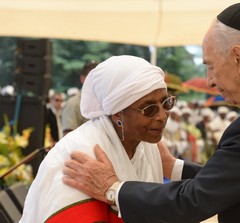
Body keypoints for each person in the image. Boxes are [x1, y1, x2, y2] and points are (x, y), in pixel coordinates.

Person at [63, 3, 240, 222]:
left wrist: (113, 188)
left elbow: (192, 203)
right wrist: (174, 167)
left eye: (211, 66)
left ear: (239, 58)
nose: (209, 81)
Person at [20, 55, 176, 222]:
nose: (162, 115)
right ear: (117, 113)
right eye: (149, 108)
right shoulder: (81, 158)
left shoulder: (146, 146)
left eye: (166, 102)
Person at [61, 61, 99, 136]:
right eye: (92, 78)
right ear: (82, 79)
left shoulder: (102, 102)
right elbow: (68, 137)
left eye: (99, 78)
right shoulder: (73, 103)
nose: (96, 81)